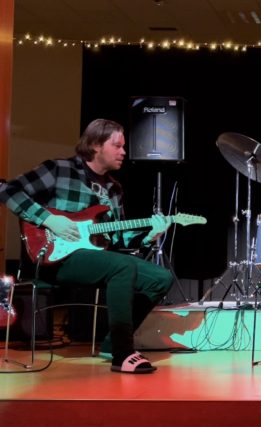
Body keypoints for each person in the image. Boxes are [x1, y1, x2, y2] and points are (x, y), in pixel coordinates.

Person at [0, 119, 172, 374]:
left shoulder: (114, 189)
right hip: (54, 258)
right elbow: (7, 190)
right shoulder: (59, 169)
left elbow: (116, 238)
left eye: (123, 146)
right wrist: (48, 219)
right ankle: (123, 353)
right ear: (95, 145)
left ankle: (111, 342)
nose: (124, 152)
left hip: (94, 258)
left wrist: (148, 236)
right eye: (117, 146)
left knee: (161, 278)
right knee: (122, 267)